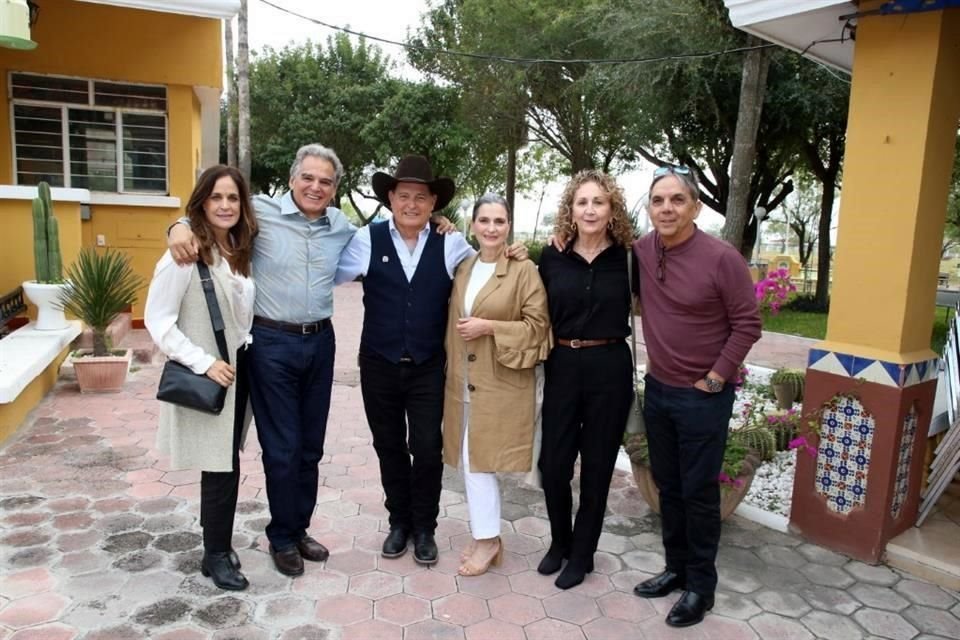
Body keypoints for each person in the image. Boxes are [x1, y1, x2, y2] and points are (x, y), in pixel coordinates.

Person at [168, 144, 355, 577]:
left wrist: (439, 223)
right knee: (283, 447)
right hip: (271, 343)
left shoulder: (341, 226)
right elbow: (214, 210)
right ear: (292, 179)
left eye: (325, 181)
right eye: (308, 177)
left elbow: (395, 231)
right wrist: (177, 225)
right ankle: (281, 539)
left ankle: (297, 527)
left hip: (321, 342)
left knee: (311, 447)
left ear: (334, 189)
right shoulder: (261, 213)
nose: (316, 186)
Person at [334, 155, 528, 565]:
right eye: (404, 196)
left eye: (420, 197)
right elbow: (325, 267)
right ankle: (398, 523)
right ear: (391, 197)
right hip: (378, 363)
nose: (411, 204)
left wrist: (515, 253)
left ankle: (425, 527)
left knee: (425, 448)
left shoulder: (451, 243)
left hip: (426, 367)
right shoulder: (366, 240)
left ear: (433, 203)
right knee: (388, 445)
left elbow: (488, 267)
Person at [631, 166, 761, 627]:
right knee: (669, 485)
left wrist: (715, 378)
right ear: (649, 208)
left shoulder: (722, 258)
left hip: (704, 395)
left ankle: (701, 588)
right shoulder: (642, 251)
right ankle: (675, 569)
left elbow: (748, 323)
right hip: (660, 391)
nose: (666, 208)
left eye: (677, 200)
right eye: (658, 200)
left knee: (699, 492)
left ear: (695, 206)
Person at [145, 165, 258, 591]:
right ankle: (214, 556)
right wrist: (202, 361)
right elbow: (158, 321)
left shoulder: (239, 249)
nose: (226, 205)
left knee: (227, 464)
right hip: (214, 372)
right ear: (201, 203)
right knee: (217, 465)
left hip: (241, 370)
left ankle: (220, 544)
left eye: (233, 198)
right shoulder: (184, 254)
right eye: (216, 198)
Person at [440, 194, 552, 576]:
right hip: (463, 382)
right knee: (471, 460)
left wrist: (489, 327)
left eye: (499, 221)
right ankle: (486, 534)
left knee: (480, 460)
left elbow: (539, 330)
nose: (491, 228)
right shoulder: (465, 266)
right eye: (484, 220)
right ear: (472, 225)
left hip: (501, 381)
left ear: (509, 227)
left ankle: (488, 539)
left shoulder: (525, 271)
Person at [537, 170, 635, 590]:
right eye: (583, 202)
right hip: (562, 362)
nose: (591, 209)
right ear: (571, 210)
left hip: (610, 366)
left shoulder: (631, 258)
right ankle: (560, 541)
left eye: (599, 201)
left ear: (611, 209)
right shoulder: (551, 256)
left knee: (597, 467)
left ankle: (583, 553)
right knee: (553, 465)